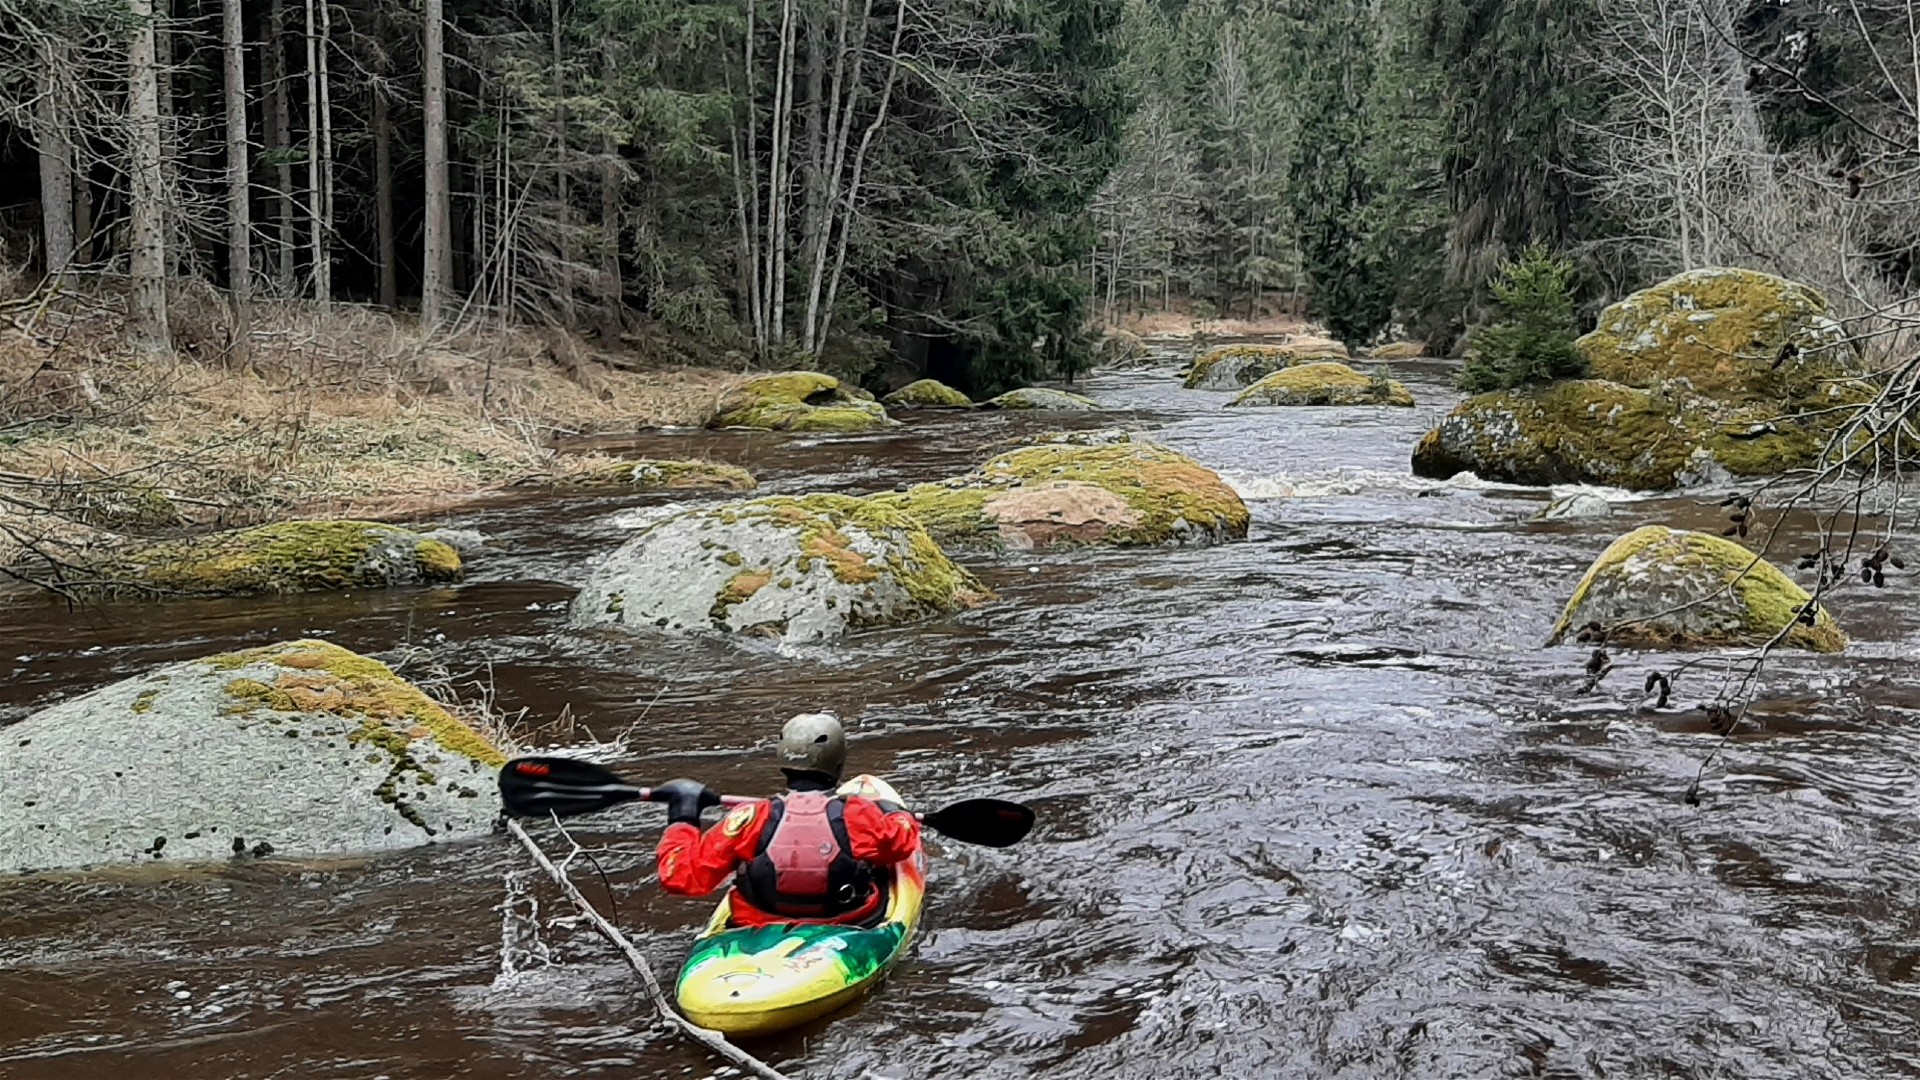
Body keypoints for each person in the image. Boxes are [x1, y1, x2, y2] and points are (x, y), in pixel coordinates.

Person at [652, 713, 921, 927]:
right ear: (839, 765)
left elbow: (681, 876)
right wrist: (895, 813)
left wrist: (682, 818)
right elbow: (901, 844)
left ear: (782, 764)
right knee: (879, 869)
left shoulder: (750, 817)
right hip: (847, 921)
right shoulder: (860, 815)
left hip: (758, 923)